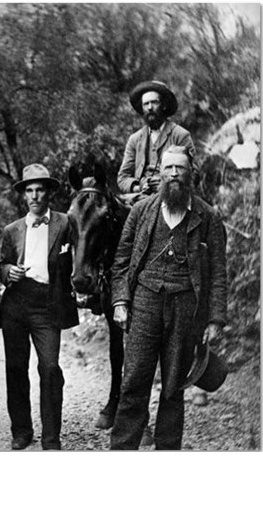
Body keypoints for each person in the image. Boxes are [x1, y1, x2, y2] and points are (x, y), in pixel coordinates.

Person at [110, 146, 227, 450]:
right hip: (145, 304)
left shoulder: (208, 217)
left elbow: (217, 272)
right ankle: (122, 451)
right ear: (159, 173)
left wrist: (215, 319)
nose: (174, 174)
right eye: (168, 168)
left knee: (174, 388)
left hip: (186, 309)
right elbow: (121, 260)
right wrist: (121, 301)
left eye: (181, 168)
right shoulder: (141, 211)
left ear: (192, 173)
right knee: (133, 382)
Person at [0, 164, 78, 450]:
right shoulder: (12, 229)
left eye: (40, 189)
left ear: (49, 192)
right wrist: (8, 273)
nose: (35, 195)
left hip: (48, 304)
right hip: (17, 303)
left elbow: (82, 256)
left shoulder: (65, 224)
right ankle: (22, 431)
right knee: (16, 369)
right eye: (29, 190)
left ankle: (51, 436)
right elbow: (3, 263)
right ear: (24, 196)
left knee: (50, 368)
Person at [117, 80, 199, 197]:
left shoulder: (180, 135)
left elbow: (194, 174)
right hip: (139, 197)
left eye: (154, 102)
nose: (150, 108)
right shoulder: (135, 139)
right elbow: (122, 177)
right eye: (146, 104)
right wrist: (138, 187)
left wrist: (167, 184)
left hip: (170, 196)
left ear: (164, 105)